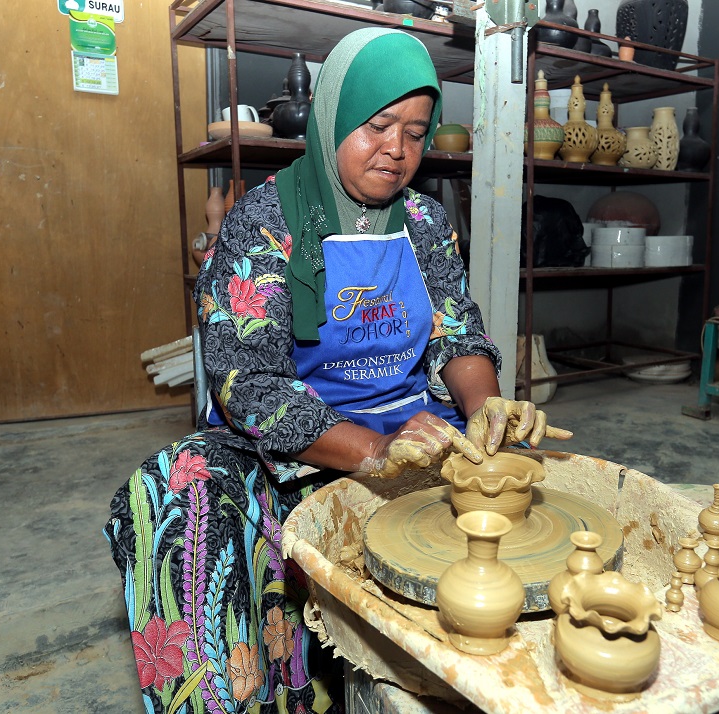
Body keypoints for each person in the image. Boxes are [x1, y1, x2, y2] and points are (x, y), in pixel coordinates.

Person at [105, 28, 570, 714]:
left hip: (412, 420)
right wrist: (373, 452)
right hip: (298, 438)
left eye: (417, 132)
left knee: (520, 475)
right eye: (378, 126)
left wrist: (485, 408)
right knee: (178, 489)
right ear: (330, 118)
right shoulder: (262, 222)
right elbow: (248, 388)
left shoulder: (426, 222)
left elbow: (457, 332)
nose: (399, 150)